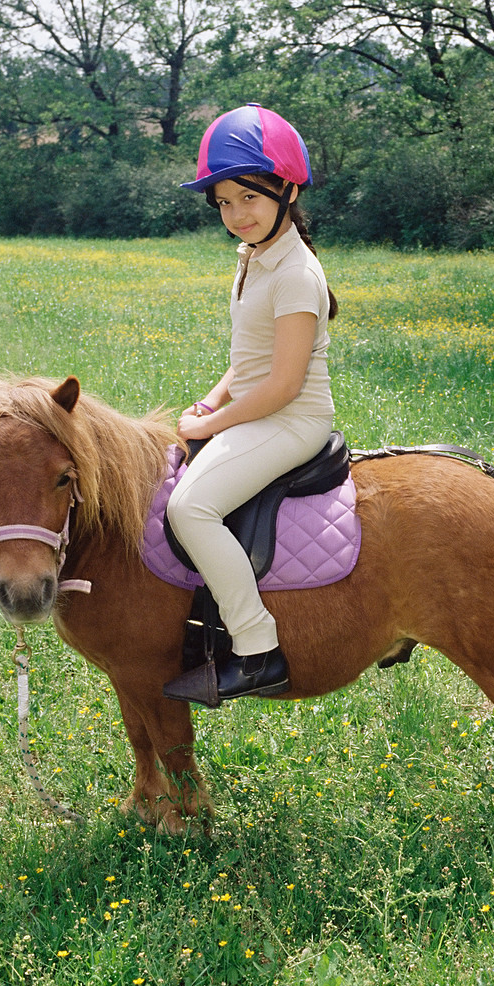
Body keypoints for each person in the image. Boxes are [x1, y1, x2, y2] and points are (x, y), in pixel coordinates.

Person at [163, 103, 337, 703]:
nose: (236, 215)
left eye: (249, 198)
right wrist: (212, 401)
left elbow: (284, 384)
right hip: (262, 408)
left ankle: (258, 649)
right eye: (223, 203)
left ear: (286, 189)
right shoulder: (253, 258)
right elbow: (252, 358)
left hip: (292, 420)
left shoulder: (295, 273)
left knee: (192, 510)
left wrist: (219, 420)